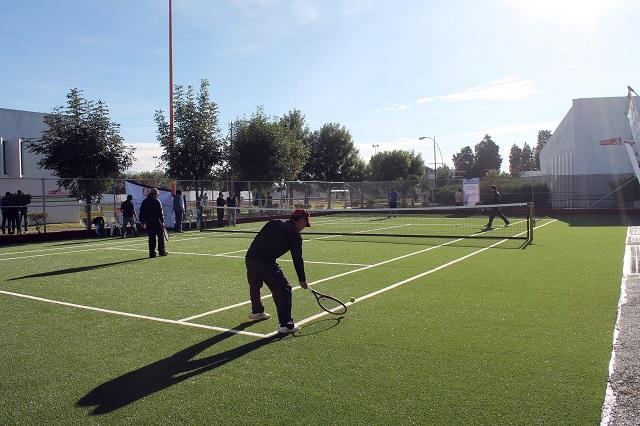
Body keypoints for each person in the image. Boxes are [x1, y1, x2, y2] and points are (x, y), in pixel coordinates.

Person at [245, 209, 311, 334]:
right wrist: (302, 280)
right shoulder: (295, 235)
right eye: (305, 223)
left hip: (250, 257)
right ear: (301, 220)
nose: (305, 227)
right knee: (284, 289)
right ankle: (286, 324)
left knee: (255, 285)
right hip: (265, 261)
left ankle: (257, 311)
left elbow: (258, 238)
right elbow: (297, 259)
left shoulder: (274, 222)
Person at [139, 188, 167, 258]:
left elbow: (141, 212)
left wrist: (142, 221)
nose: (158, 195)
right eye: (157, 194)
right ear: (155, 194)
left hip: (149, 222)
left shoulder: (144, 201)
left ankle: (152, 253)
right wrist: (162, 222)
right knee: (160, 237)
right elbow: (160, 213)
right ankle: (161, 252)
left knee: (151, 238)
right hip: (157, 222)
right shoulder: (157, 201)